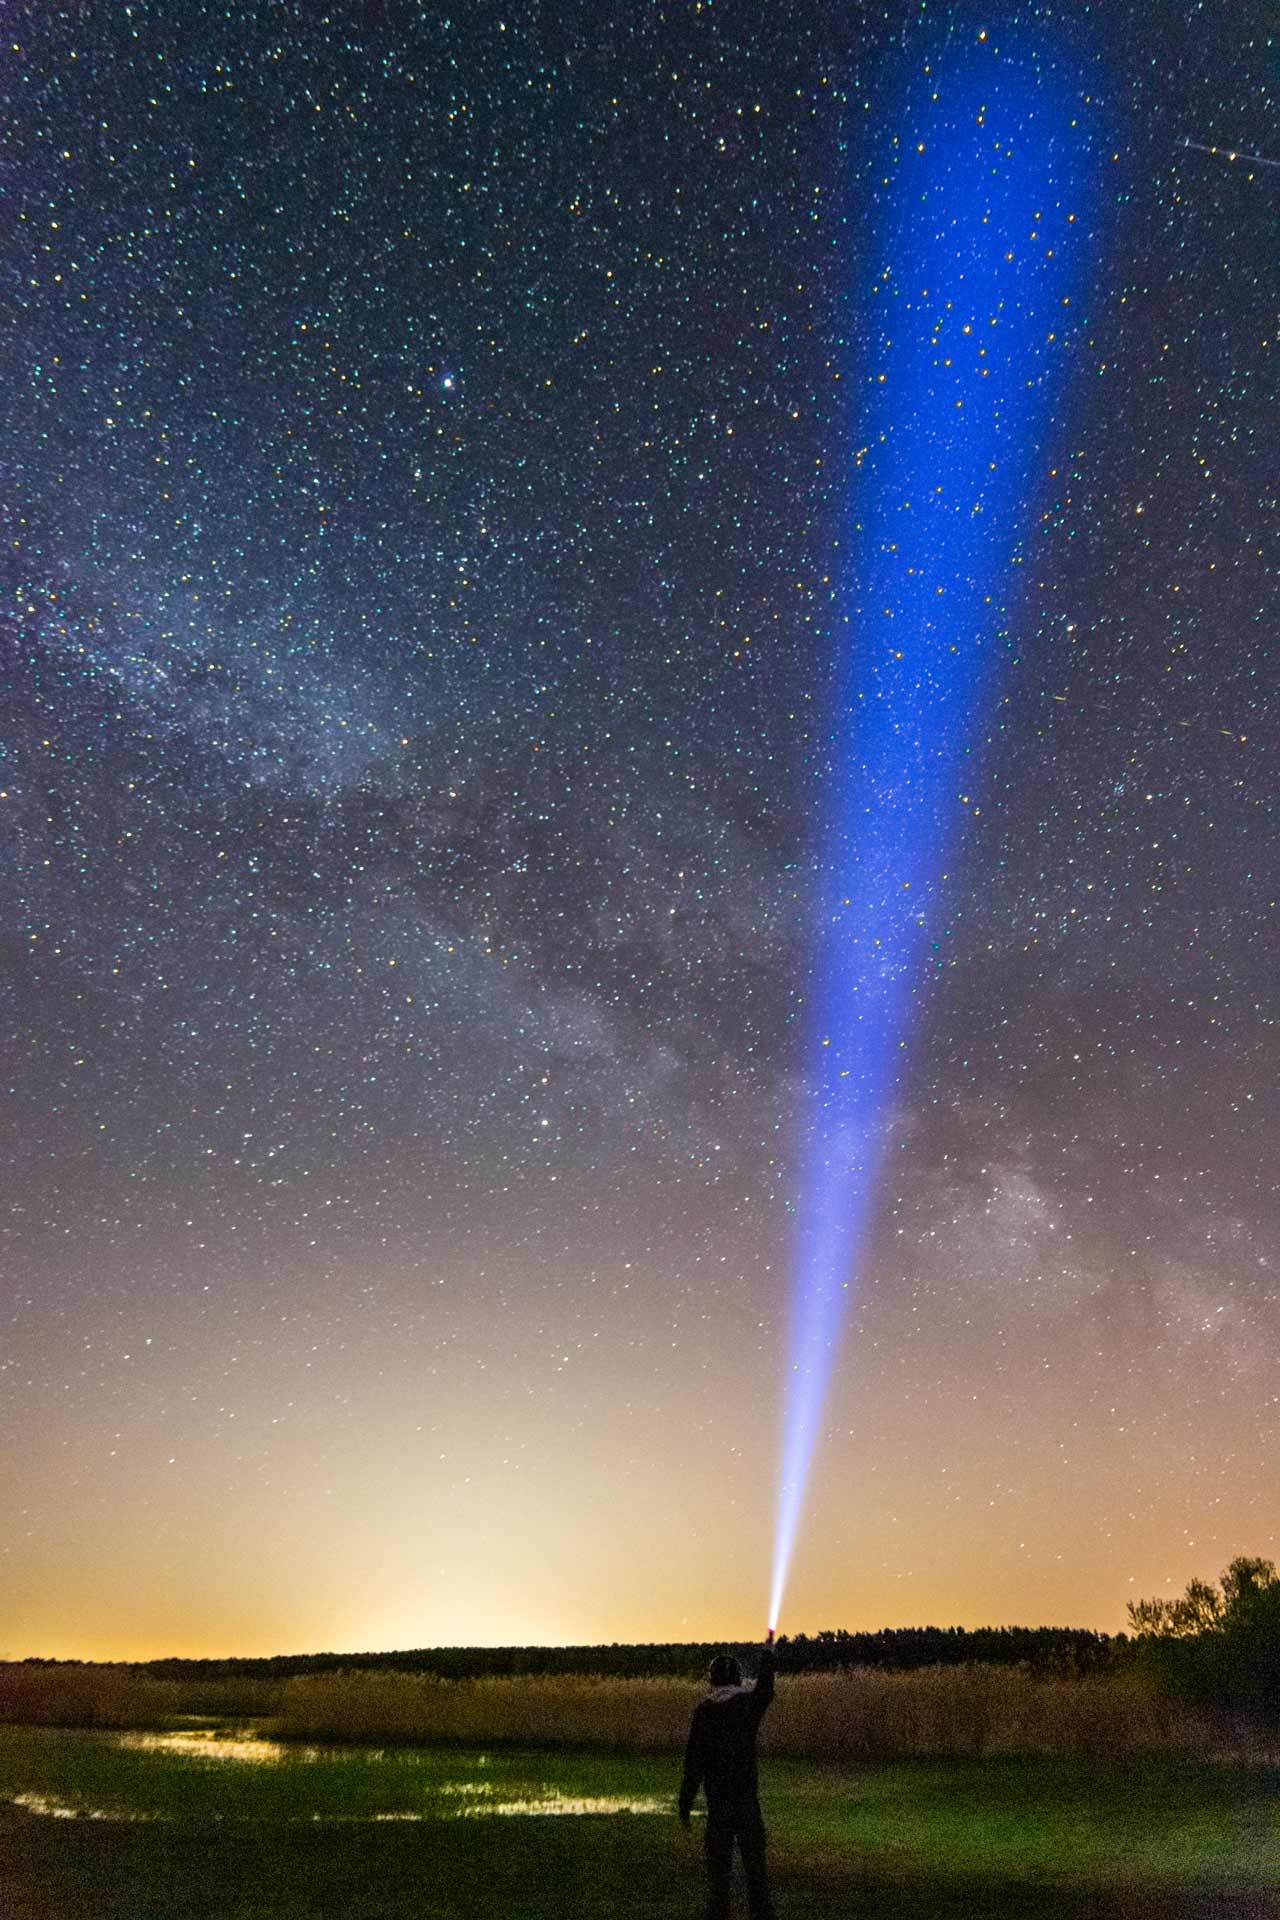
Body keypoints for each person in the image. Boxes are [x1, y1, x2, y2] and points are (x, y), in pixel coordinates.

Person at [678, 1629, 777, 1920]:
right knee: (755, 1870)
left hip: (718, 1803)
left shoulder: (704, 1712)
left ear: (712, 1679)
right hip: (746, 1800)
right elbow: (765, 1691)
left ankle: (719, 1913)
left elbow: (694, 1761)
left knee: (719, 1873)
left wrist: (685, 1800)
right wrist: (768, 1653)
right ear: (736, 1678)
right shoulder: (745, 1706)